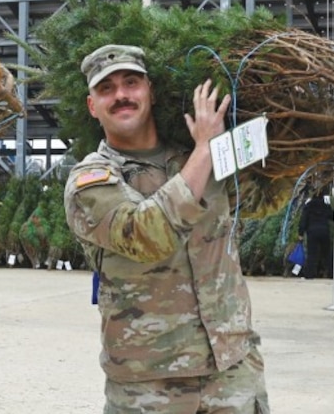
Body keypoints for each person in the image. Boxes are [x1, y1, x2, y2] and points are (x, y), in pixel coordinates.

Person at [64, 45, 269, 413]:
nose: (121, 95)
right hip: (149, 387)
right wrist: (205, 148)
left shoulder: (197, 156)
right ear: (92, 106)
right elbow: (146, 234)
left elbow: (262, 200)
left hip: (233, 372)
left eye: (131, 82)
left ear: (151, 92)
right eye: (106, 89)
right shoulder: (91, 180)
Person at [297, 187, 334, 279]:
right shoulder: (325, 206)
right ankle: (331, 273)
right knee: (327, 253)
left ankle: (310, 274)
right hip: (324, 231)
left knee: (312, 254)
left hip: (312, 232)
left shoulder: (308, 206)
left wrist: (301, 233)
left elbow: (303, 220)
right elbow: (333, 216)